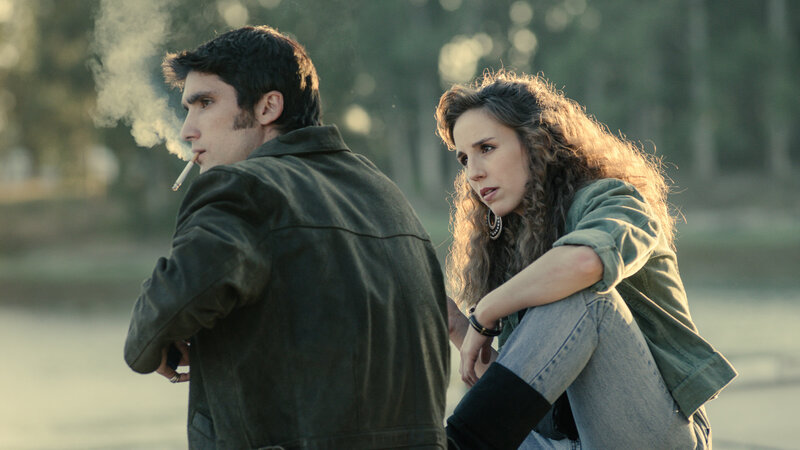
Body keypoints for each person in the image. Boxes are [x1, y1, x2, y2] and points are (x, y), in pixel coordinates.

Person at [124, 26, 450, 449]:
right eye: (188, 109)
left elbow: (149, 331)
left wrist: (163, 334)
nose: (188, 129)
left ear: (268, 107)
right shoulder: (385, 193)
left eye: (205, 103)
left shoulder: (241, 188)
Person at [435, 71, 736, 449]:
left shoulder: (614, 201)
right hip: (568, 440)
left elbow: (586, 265)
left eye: (487, 148)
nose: (474, 173)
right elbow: (521, 396)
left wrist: (488, 309)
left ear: (536, 141)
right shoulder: (511, 245)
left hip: (660, 431)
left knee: (584, 296)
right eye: (464, 158)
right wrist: (456, 325)